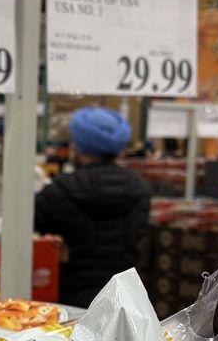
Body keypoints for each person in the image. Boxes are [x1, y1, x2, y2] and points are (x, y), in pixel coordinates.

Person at [34, 106, 150, 308]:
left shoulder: (59, 191)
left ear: (77, 146)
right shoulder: (139, 188)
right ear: (121, 147)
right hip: (125, 300)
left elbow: (32, 233)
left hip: (70, 301)